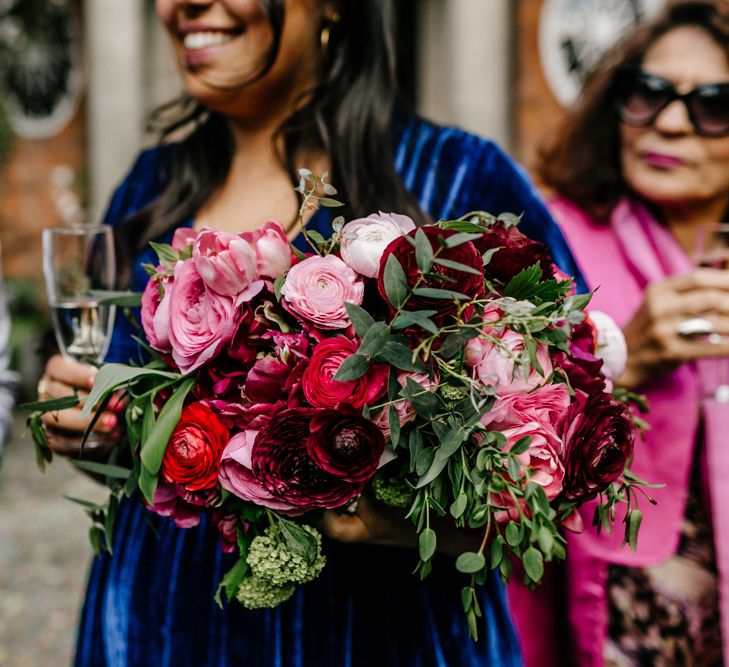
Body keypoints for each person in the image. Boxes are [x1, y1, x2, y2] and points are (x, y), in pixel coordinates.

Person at [37, 1, 584, 665]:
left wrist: (425, 517)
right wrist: (89, 426)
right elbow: (130, 441)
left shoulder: (455, 176)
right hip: (158, 622)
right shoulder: (149, 185)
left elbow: (569, 434)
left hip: (381, 632)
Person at [508, 2, 729, 665]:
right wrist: (622, 358)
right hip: (617, 607)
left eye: (712, 105)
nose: (666, 123)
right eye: (647, 93)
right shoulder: (546, 241)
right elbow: (487, 432)